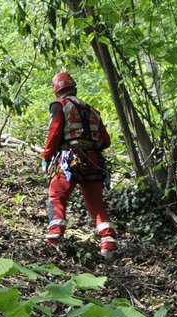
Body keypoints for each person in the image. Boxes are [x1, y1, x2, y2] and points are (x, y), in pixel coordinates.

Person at [39, 71, 118, 259]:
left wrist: (47, 157)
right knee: (96, 204)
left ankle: (54, 238)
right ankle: (108, 243)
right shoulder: (93, 111)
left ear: (56, 91)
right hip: (94, 161)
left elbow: (55, 132)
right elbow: (105, 141)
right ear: (74, 88)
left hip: (70, 159)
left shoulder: (60, 106)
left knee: (56, 195)